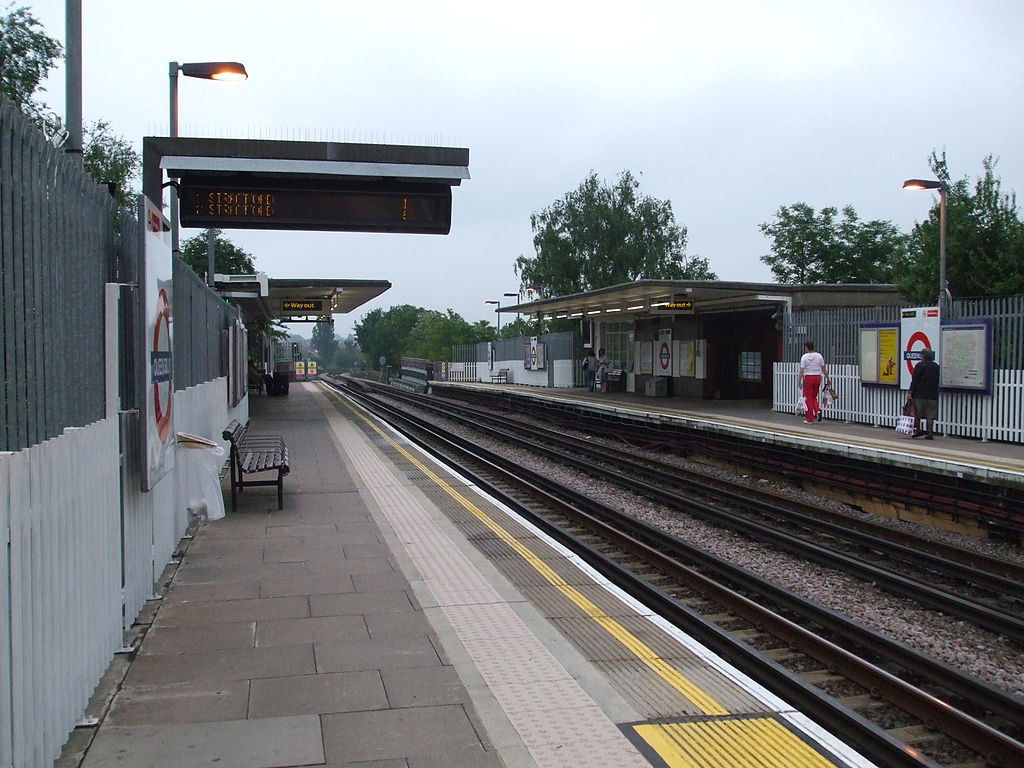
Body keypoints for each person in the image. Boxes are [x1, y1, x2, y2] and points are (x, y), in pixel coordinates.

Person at [907, 348, 940, 439]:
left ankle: (918, 430)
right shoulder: (936, 366)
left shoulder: (920, 366)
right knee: (930, 415)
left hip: (920, 394)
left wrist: (910, 392)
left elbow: (915, 380)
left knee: (917, 413)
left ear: (923, 356)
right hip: (932, 395)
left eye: (921, 355)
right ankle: (930, 433)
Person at [798, 341, 831, 424]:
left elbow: (802, 370)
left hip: (808, 377)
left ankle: (810, 418)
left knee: (808, 398)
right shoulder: (819, 356)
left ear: (806, 348)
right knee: (813, 397)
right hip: (817, 377)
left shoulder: (804, 357)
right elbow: (823, 369)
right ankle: (818, 410)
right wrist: (828, 378)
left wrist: (799, 381)